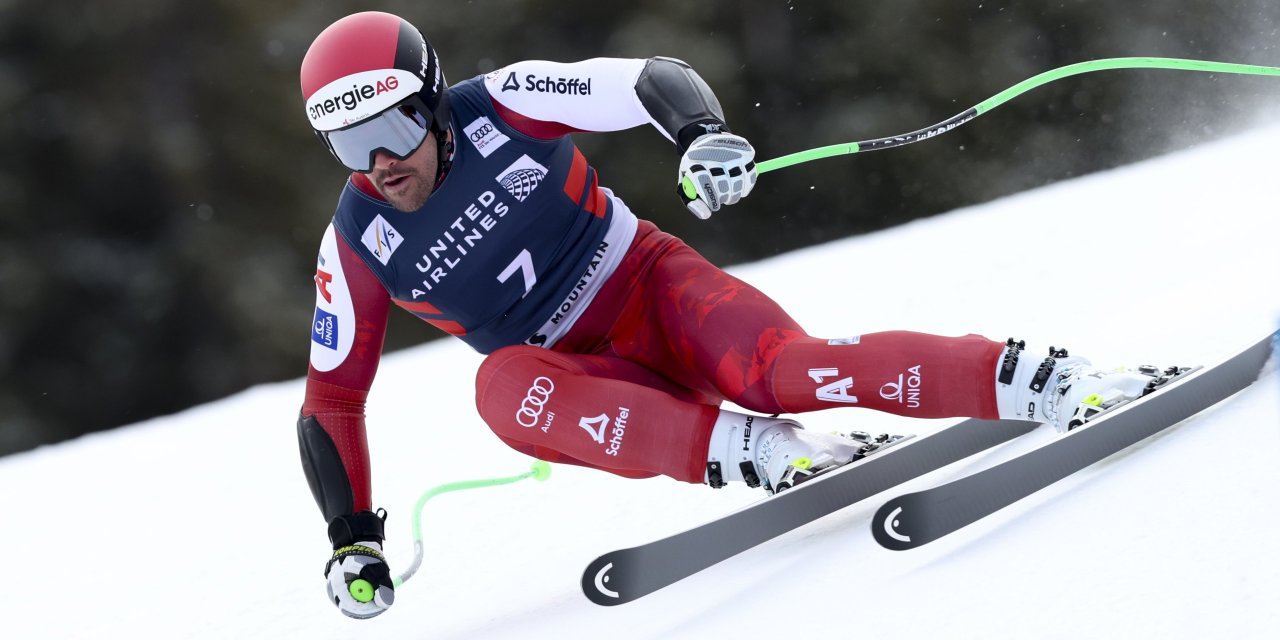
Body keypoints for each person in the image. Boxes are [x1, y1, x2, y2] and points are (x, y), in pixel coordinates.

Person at [296, 11, 1166, 618]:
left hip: (655, 291)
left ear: (434, 102)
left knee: (784, 372)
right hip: (587, 381)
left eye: (393, 131)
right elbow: (331, 398)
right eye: (348, 146)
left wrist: (700, 134)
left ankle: (1048, 381)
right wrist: (352, 539)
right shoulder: (357, 239)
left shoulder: (503, 102)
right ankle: (760, 453)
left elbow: (646, 79)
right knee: (501, 390)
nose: (380, 165)